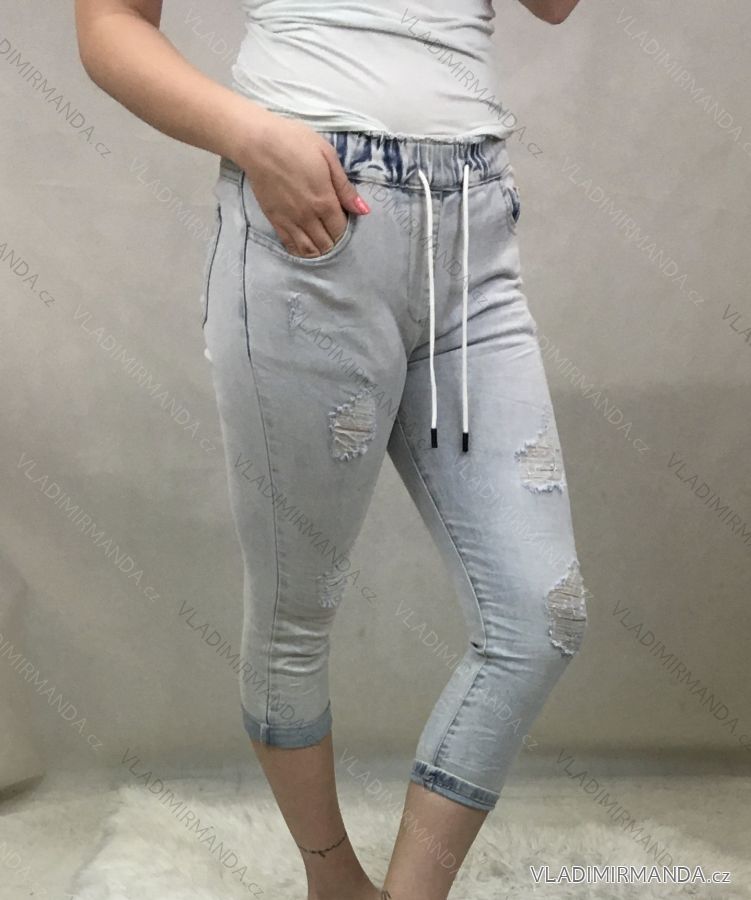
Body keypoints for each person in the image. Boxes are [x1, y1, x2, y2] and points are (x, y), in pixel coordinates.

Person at [75, 0, 586, 897]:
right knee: (296, 613)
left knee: (540, 616)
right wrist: (252, 137)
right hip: (311, 223)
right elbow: (108, 25)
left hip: (474, 231)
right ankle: (333, 880)